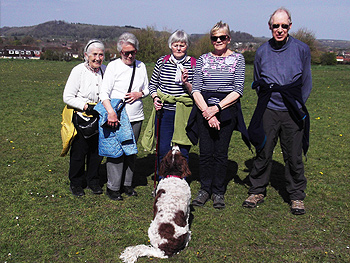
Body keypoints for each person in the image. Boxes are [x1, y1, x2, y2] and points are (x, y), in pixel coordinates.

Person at [242, 7, 312, 215]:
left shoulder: (302, 49)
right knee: (263, 151)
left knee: (293, 155)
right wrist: (267, 102)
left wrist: (298, 105)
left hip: (292, 109)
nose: (279, 29)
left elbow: (306, 81)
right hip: (269, 109)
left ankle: (297, 195)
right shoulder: (262, 51)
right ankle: (257, 190)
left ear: (290, 26)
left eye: (283, 25)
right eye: (275, 26)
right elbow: (258, 80)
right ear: (270, 26)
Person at [190, 21, 249, 209]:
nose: (218, 41)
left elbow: (238, 90)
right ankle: (205, 189)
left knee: (220, 153)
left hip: (226, 109)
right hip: (203, 107)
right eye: (214, 38)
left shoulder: (238, 60)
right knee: (206, 152)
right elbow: (196, 89)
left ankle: (218, 191)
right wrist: (207, 112)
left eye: (222, 37)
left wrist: (217, 109)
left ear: (228, 39)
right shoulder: (202, 59)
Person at [99, 32, 149, 201]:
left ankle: (127, 184)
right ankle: (113, 187)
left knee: (131, 152)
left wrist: (139, 94)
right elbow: (103, 93)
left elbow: (148, 89)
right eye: (125, 52)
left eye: (132, 52)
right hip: (118, 117)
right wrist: (111, 113)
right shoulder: (113, 67)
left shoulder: (141, 67)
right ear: (120, 52)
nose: (129, 55)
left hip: (136, 117)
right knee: (116, 153)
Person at [141, 30, 195, 175]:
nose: (178, 48)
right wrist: (155, 98)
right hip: (165, 111)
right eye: (175, 45)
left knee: (182, 150)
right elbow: (152, 85)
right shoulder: (162, 61)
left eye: (182, 45)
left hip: (184, 112)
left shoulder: (193, 63)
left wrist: (187, 83)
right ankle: (163, 179)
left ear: (187, 46)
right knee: (163, 149)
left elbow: (196, 91)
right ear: (170, 46)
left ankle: (180, 180)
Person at [63, 39, 106, 196]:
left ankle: (93, 181)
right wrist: (86, 106)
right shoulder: (78, 71)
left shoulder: (105, 70)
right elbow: (67, 96)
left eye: (101, 55)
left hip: (100, 118)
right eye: (94, 54)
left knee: (97, 152)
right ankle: (76, 182)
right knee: (79, 153)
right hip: (81, 117)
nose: (97, 58)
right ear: (86, 55)